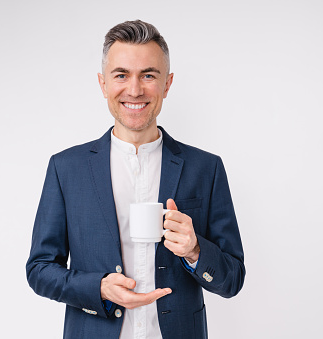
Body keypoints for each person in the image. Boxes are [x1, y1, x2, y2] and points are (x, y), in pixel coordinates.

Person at [26, 20, 245, 339]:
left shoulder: (205, 168)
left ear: (167, 84)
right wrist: (98, 288)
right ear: (103, 84)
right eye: (121, 75)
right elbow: (39, 270)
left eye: (148, 75)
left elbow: (233, 279)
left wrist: (195, 250)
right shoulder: (66, 168)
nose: (135, 89)